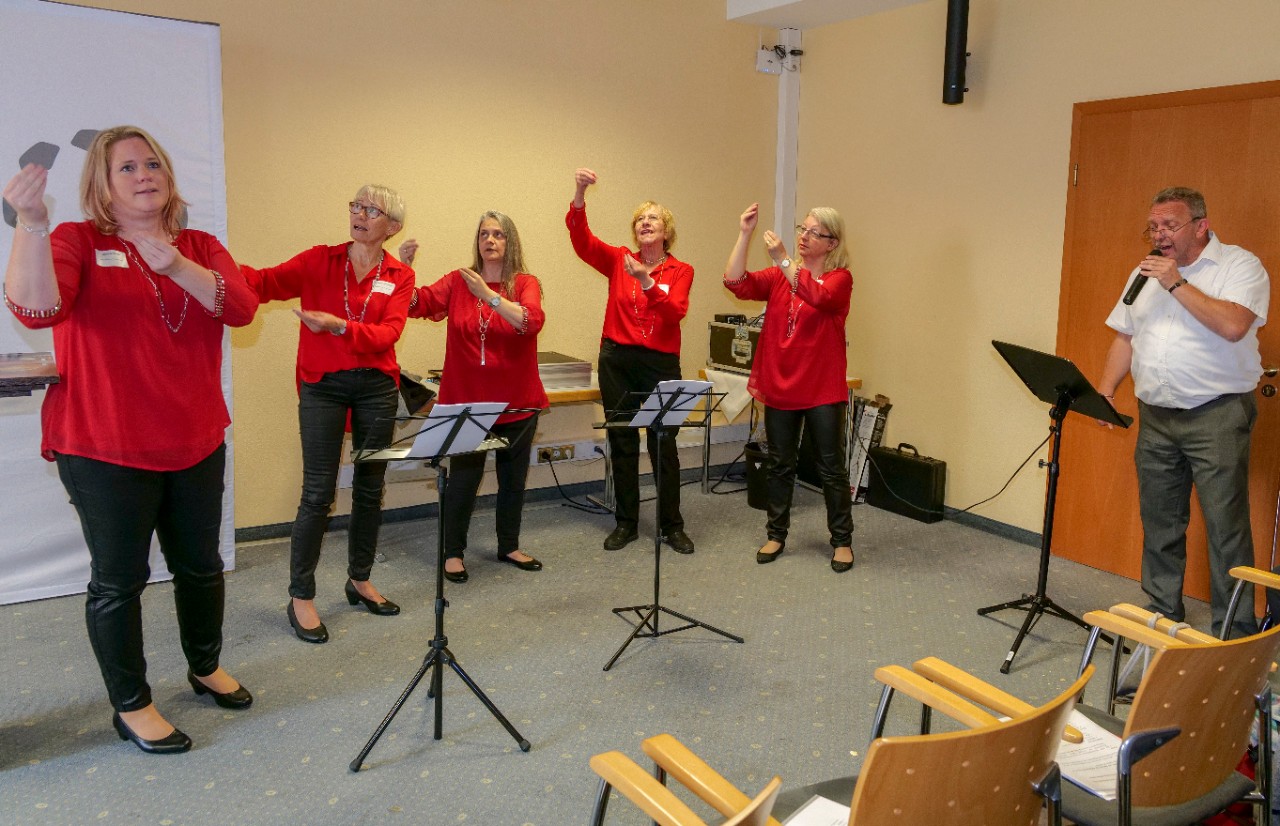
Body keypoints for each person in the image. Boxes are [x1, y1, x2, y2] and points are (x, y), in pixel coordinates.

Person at [2, 126, 257, 754]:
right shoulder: (76, 240)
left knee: (200, 566)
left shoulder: (199, 245)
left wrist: (179, 265)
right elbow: (36, 311)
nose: (144, 174)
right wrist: (31, 222)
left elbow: (242, 308)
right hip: (103, 444)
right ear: (102, 186)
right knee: (119, 580)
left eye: (153, 164)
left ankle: (205, 665)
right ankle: (132, 703)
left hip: (194, 437)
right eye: (126, 168)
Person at [242, 186, 413, 643]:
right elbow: (262, 282)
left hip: (377, 386)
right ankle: (301, 595)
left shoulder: (399, 273)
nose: (359, 214)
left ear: (391, 227)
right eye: (355, 206)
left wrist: (338, 325)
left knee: (369, 487)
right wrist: (212, 268)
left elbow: (387, 333)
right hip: (323, 385)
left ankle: (360, 579)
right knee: (317, 492)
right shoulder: (319, 260)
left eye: (371, 210)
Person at [1096, 186, 1269, 638]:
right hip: (1156, 417)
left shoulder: (1239, 266)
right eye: (1153, 226)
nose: (1159, 234)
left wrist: (1175, 282)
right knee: (1160, 521)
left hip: (1216, 415)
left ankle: (1234, 632)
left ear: (1201, 225)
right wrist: (1105, 390)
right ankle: (1160, 614)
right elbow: (1125, 335)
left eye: (1169, 225)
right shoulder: (1144, 272)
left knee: (1225, 528)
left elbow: (1233, 325)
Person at [399, 212, 548, 583]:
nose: (490, 240)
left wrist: (490, 297)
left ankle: (508, 545)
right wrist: (402, 269)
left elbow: (531, 322)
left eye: (498, 234)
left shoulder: (525, 282)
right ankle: (453, 553)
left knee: (513, 479)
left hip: (518, 401)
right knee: (463, 481)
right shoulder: (458, 281)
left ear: (509, 241)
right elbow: (416, 304)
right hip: (468, 404)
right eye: (484, 233)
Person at [567, 168, 695, 554]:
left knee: (663, 445)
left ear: (666, 231)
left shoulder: (681, 270)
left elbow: (675, 311)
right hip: (618, 361)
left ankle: (672, 526)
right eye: (640, 219)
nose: (644, 223)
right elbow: (582, 241)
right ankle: (626, 523)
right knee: (621, 441)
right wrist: (579, 193)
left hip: (660, 365)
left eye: (652, 218)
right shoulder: (619, 260)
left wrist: (646, 281)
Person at [723, 203, 854, 573]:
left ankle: (842, 540)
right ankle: (776, 533)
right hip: (780, 384)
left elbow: (819, 297)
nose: (804, 236)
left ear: (832, 243)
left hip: (821, 388)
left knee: (830, 466)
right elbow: (735, 283)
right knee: (780, 464)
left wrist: (783, 259)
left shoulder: (839, 278)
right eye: (803, 229)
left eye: (814, 232)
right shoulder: (779, 277)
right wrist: (745, 234)